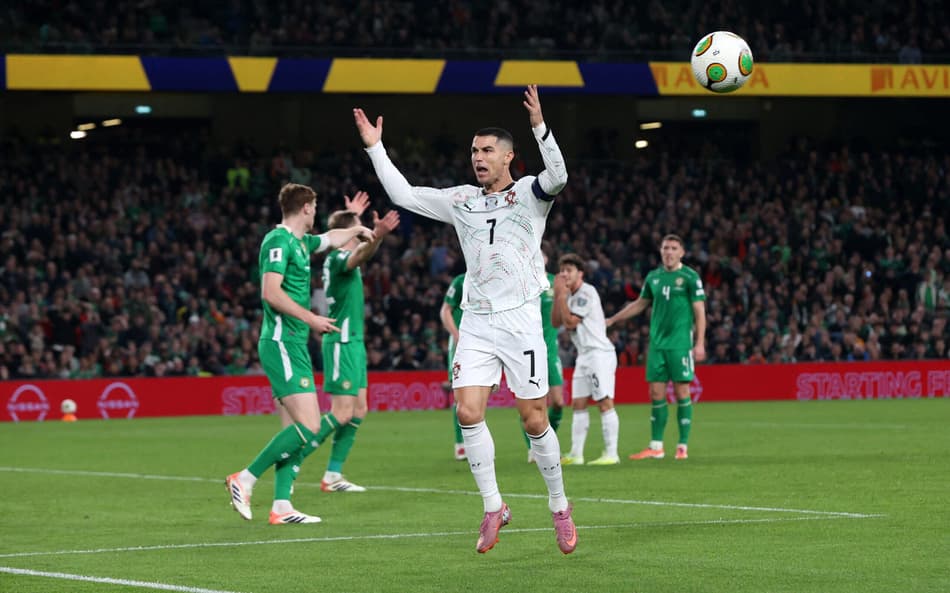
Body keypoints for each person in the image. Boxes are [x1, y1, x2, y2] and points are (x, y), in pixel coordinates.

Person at [354, 85, 577, 555]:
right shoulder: (460, 200)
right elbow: (405, 193)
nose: (478, 157)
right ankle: (494, 506)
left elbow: (558, 175)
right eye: (474, 150)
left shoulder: (530, 193)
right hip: (476, 320)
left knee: (534, 420)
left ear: (509, 158)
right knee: (468, 412)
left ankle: (559, 506)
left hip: (520, 321)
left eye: (487, 151)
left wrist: (541, 126)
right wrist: (375, 147)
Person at [225, 182, 374, 525]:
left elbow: (331, 239)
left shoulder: (301, 242)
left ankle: (281, 506)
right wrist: (311, 319)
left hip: (293, 343)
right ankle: (244, 479)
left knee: (293, 427)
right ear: (306, 207)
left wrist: (359, 229)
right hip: (281, 342)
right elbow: (270, 292)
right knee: (309, 424)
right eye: (315, 206)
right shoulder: (278, 241)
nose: (317, 213)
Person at [606, 234, 707, 461]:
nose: (669, 252)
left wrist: (699, 343)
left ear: (681, 252)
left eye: (673, 248)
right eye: (665, 248)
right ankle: (656, 446)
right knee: (655, 394)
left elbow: (700, 311)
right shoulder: (654, 277)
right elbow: (640, 304)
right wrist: (613, 319)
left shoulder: (690, 277)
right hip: (657, 345)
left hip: (680, 345)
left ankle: (682, 446)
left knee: (682, 393)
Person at [552, 253, 620, 466]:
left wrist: (562, 297)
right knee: (578, 403)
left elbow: (571, 323)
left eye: (569, 270)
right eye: (562, 270)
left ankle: (612, 453)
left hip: (599, 353)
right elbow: (555, 322)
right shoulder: (568, 295)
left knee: (604, 401)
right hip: (583, 355)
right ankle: (576, 454)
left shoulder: (586, 292)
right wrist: (557, 296)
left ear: (579, 273)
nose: (564, 274)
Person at [525, 251, 564, 463]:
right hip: (526, 351)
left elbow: (559, 321)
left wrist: (560, 295)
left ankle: (548, 440)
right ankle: (534, 447)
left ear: (548, 259)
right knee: (530, 404)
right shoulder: (522, 281)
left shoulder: (553, 283)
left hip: (549, 350)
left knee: (558, 402)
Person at [440, 272, 467, 461]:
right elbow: (445, 310)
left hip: (483, 345)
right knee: (460, 396)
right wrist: (457, 335)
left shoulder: (490, 278)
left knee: (478, 396)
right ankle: (460, 445)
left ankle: (473, 443)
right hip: (461, 346)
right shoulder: (460, 281)